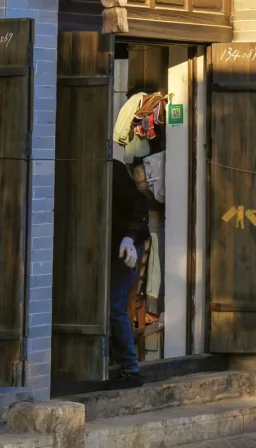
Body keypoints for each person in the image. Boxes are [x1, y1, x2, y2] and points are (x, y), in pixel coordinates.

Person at [110, 158, 150, 384]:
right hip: (107, 245)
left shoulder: (112, 168)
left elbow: (140, 205)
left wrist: (130, 238)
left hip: (126, 243)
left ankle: (130, 369)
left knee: (114, 305)